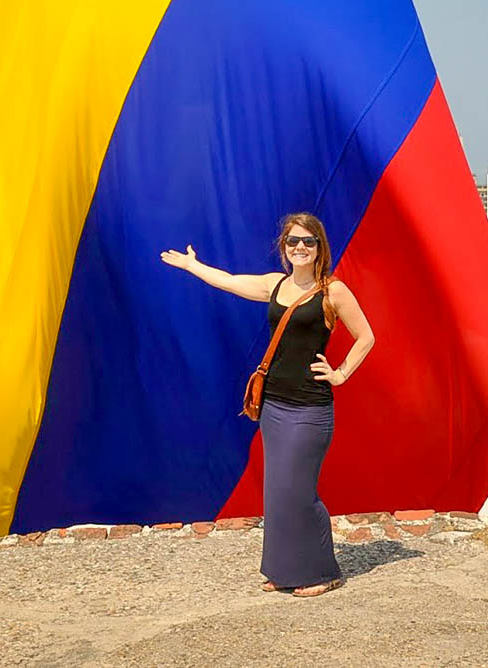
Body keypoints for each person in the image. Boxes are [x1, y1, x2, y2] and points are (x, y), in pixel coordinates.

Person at [161, 212, 375, 597]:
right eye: (293, 241)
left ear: (319, 247)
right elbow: (228, 282)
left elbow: (366, 337)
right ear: (284, 247)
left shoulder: (333, 291)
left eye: (308, 241)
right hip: (274, 405)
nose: (300, 247)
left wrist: (341, 373)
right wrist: (193, 266)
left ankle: (323, 572)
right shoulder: (274, 285)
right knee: (276, 490)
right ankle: (283, 569)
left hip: (310, 408)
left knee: (299, 491)